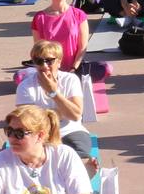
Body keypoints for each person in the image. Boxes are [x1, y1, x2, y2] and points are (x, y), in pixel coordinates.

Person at [16, 42, 96, 170]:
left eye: (49, 61)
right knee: (35, 158)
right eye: (39, 61)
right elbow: (27, 122)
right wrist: (60, 112)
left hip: (70, 130)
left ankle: (80, 169)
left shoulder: (70, 79)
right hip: (40, 134)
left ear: (59, 62)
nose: (44, 66)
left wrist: (53, 93)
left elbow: (75, 115)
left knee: (80, 153)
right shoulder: (25, 86)